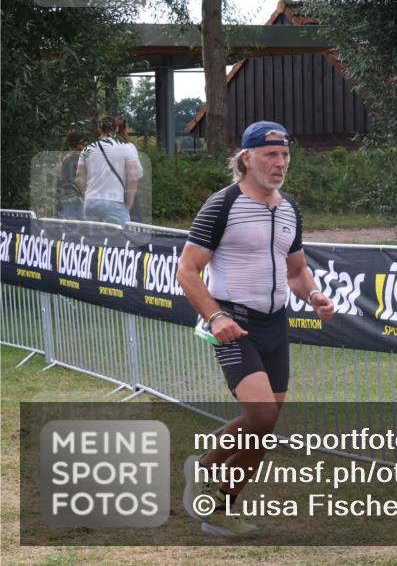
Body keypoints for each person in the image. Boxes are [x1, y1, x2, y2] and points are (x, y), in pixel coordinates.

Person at [176, 121, 335, 537]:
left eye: (284, 155)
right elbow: (188, 271)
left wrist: (314, 296)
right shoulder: (221, 205)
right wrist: (216, 317)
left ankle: (217, 503)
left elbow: (297, 271)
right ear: (246, 159)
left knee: (264, 424)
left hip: (275, 324)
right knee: (261, 415)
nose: (280, 163)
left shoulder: (289, 209)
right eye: (270, 155)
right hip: (234, 322)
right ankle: (208, 469)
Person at [76, 115, 139, 226]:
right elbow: (133, 178)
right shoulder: (125, 148)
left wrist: (86, 194)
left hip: (91, 202)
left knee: (93, 239)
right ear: (116, 129)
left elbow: (79, 176)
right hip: (114, 201)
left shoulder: (87, 150)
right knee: (120, 239)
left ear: (99, 129)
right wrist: (129, 204)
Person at [112, 115, 145, 222]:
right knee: (136, 226)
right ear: (125, 130)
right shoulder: (129, 147)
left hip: (107, 192)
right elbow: (138, 173)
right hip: (127, 190)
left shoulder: (102, 147)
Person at [56, 130, 86, 220]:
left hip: (64, 198)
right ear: (76, 143)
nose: (86, 144)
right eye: (83, 142)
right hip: (76, 199)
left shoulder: (63, 156)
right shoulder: (80, 156)